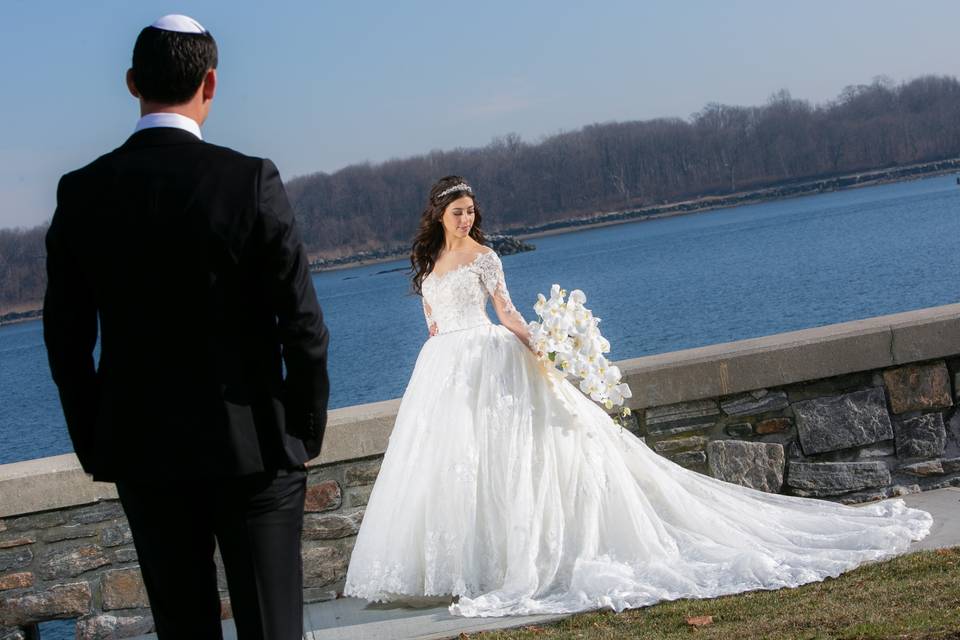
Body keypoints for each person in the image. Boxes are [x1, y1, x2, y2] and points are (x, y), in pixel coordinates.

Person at [343, 175, 932, 616]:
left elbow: (507, 313)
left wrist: (542, 348)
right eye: (458, 211)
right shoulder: (426, 262)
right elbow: (433, 325)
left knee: (513, 459)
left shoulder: (486, 258)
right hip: (444, 371)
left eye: (472, 211)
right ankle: (460, 566)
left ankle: (509, 561)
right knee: (456, 464)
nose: (466, 219)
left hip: (490, 356)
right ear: (439, 214)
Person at [43, 15, 329, 639]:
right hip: (255, 443)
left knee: (183, 628)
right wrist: (302, 430)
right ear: (210, 83)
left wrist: (97, 440)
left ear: (131, 83)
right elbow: (303, 324)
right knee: (272, 628)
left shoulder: (82, 192)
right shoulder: (250, 181)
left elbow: (66, 342)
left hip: (145, 450)